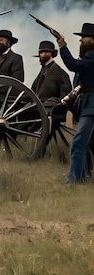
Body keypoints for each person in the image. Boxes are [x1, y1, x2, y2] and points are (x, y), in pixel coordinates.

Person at [55, 23, 94, 183]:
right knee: (87, 144)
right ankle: (84, 176)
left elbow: (72, 65)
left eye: (84, 38)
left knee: (78, 142)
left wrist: (62, 45)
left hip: (91, 106)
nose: (81, 41)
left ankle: (74, 180)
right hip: (88, 104)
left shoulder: (91, 56)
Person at [31, 40, 71, 109]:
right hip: (36, 106)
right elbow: (32, 92)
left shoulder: (60, 73)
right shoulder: (41, 72)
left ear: (52, 53)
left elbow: (65, 96)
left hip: (50, 108)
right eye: (41, 52)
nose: (43, 54)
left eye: (46, 52)